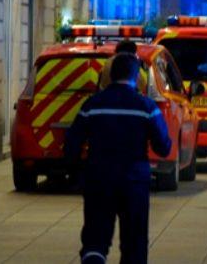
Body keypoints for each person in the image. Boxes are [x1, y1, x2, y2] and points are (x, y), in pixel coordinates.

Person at [65, 53, 172, 264]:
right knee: (134, 243)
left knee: (95, 240)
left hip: (99, 180)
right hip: (134, 183)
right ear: (136, 77)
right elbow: (164, 147)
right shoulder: (146, 107)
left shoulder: (92, 105)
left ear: (110, 76)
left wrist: (77, 171)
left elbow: (72, 143)